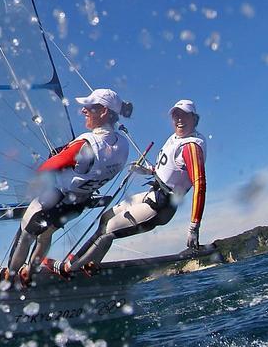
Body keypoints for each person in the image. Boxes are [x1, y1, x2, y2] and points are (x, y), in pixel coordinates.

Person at [0, 88, 132, 285]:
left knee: (26, 234)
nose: (83, 111)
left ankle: (10, 277)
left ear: (104, 111)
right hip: (78, 204)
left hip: (54, 200)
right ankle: (29, 273)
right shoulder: (123, 144)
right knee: (46, 234)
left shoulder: (85, 144)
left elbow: (47, 168)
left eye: (89, 107)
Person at [52, 99, 207, 278]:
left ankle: (68, 269)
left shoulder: (191, 146)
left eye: (184, 115)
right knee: (106, 216)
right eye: (176, 115)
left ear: (194, 118)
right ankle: (91, 264)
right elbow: (173, 170)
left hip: (161, 206)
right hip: (153, 194)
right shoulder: (176, 139)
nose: (179, 119)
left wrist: (194, 226)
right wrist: (148, 170)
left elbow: (200, 184)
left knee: (109, 229)